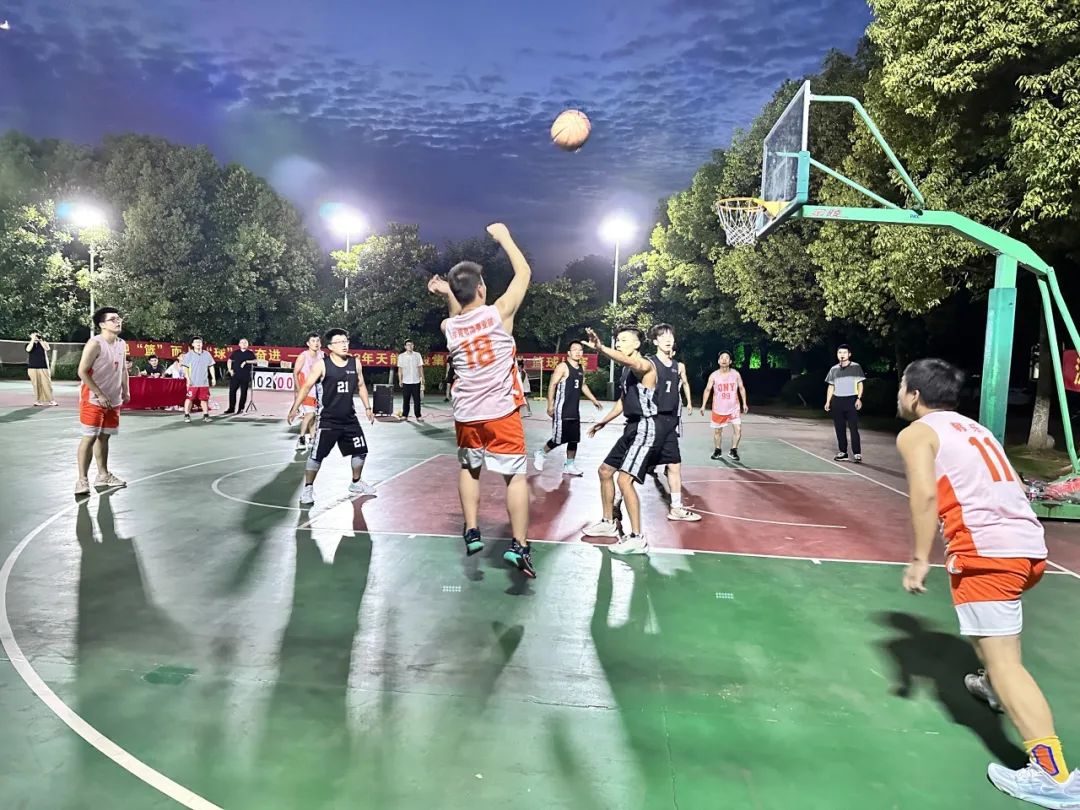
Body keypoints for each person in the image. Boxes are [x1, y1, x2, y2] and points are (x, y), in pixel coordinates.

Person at [896, 358, 1079, 807]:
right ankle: (994, 686)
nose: (899, 393)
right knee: (994, 647)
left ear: (915, 395)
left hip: (986, 556)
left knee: (1005, 664)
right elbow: (1012, 481)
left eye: (902, 386)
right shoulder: (975, 429)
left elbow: (924, 495)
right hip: (1028, 549)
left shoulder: (917, 433)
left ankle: (1053, 775)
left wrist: (919, 558)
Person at [427, 222, 535, 577]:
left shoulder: (450, 328)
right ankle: (519, 546)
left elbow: (456, 315)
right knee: (514, 477)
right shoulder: (499, 313)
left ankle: (472, 530)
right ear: (482, 288)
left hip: (466, 415)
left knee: (469, 469)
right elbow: (524, 272)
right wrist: (504, 237)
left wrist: (447, 291)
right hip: (501, 412)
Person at [582, 325, 658, 554]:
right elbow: (623, 401)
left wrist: (600, 348)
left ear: (637, 344)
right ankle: (608, 523)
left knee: (624, 481)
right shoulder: (626, 371)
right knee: (605, 471)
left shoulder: (644, 365)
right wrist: (603, 421)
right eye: (617, 340)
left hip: (645, 426)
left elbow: (633, 363)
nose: (619, 343)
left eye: (624, 340)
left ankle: (637, 538)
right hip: (630, 428)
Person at [287, 328, 376, 506]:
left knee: (361, 451)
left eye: (346, 341)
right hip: (327, 420)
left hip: (349, 419)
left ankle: (356, 482)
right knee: (316, 456)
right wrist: (294, 408)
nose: (344, 345)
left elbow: (361, 386)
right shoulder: (322, 365)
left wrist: (368, 408)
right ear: (330, 346)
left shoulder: (355, 363)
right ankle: (308, 488)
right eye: (339, 342)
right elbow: (306, 387)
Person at [643, 324, 701, 521]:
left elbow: (684, 385)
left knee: (674, 465)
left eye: (671, 336)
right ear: (655, 341)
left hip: (670, 421)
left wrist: (689, 402)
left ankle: (676, 508)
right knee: (636, 466)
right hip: (652, 421)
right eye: (663, 336)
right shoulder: (649, 363)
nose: (668, 339)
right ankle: (616, 501)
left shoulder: (678, 366)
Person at [74, 308, 129, 496]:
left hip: (113, 399)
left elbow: (123, 369)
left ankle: (103, 475)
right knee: (89, 437)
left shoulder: (121, 344)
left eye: (119, 318)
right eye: (113, 319)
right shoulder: (95, 344)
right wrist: (99, 394)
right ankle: (82, 480)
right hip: (93, 399)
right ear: (102, 324)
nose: (118, 321)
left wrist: (126, 390)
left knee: (104, 436)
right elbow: (82, 371)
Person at [533, 340, 602, 476]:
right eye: (574, 349)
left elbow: (582, 385)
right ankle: (540, 453)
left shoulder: (581, 368)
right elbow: (552, 385)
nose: (578, 352)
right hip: (562, 410)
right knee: (559, 439)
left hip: (574, 410)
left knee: (574, 439)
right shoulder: (562, 367)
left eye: (580, 349)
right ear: (569, 353)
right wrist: (550, 405)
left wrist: (594, 400)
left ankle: (569, 465)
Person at [701, 351, 748, 460]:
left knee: (738, 429)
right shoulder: (714, 375)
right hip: (719, 408)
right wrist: (703, 405)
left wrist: (744, 403)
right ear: (718, 361)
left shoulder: (735, 374)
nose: (724, 360)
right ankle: (717, 450)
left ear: (730, 361)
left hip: (734, 408)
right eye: (722, 358)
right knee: (718, 431)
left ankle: (733, 450)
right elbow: (707, 390)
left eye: (727, 358)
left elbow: (741, 388)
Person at [825, 344, 864, 462]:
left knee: (853, 428)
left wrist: (859, 398)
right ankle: (843, 452)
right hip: (837, 400)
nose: (842, 355)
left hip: (851, 399)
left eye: (844, 352)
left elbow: (860, 384)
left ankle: (857, 453)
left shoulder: (856, 367)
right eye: (840, 353)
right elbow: (831, 386)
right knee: (839, 428)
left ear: (849, 354)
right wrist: (828, 401)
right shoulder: (834, 369)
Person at [292, 333, 323, 451]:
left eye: (317, 341)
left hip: (318, 392)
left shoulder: (322, 355)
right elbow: (295, 373)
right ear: (308, 343)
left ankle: (312, 439)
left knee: (314, 417)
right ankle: (301, 438)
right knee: (310, 414)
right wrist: (299, 390)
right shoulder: (303, 356)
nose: (316, 343)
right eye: (313, 341)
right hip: (306, 391)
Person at [180, 337, 216, 423]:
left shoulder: (207, 354)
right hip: (193, 382)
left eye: (200, 342)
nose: (198, 343)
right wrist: (188, 379)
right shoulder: (189, 355)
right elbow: (185, 368)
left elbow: (211, 366)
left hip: (204, 382)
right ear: (192, 344)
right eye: (196, 342)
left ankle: (206, 415)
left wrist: (213, 378)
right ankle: (187, 415)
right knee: (189, 399)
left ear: (202, 344)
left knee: (204, 399)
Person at [224, 338, 257, 415]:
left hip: (245, 375)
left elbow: (255, 361)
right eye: (242, 342)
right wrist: (230, 370)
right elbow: (229, 360)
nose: (244, 344)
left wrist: (246, 362)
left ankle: (241, 408)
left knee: (243, 392)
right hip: (235, 375)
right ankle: (231, 408)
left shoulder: (250, 353)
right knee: (232, 391)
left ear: (247, 344)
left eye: (245, 342)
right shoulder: (236, 352)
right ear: (239, 344)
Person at [397, 339, 425, 422]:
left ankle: (418, 415)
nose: (410, 346)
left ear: (413, 346)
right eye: (408, 345)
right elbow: (400, 369)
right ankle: (405, 415)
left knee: (417, 400)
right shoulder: (401, 356)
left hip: (416, 381)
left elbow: (420, 367)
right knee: (406, 400)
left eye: (411, 344)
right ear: (405, 347)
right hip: (406, 381)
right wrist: (400, 380)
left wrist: (422, 378)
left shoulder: (417, 355)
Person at [25, 330, 56, 405]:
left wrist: (41, 340)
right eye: (33, 334)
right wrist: (32, 340)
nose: (36, 336)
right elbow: (28, 349)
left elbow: (47, 348)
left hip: (43, 367)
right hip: (32, 367)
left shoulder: (43, 342)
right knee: (36, 385)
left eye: (37, 334)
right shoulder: (28, 344)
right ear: (30, 336)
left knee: (47, 384)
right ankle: (38, 401)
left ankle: (51, 400)